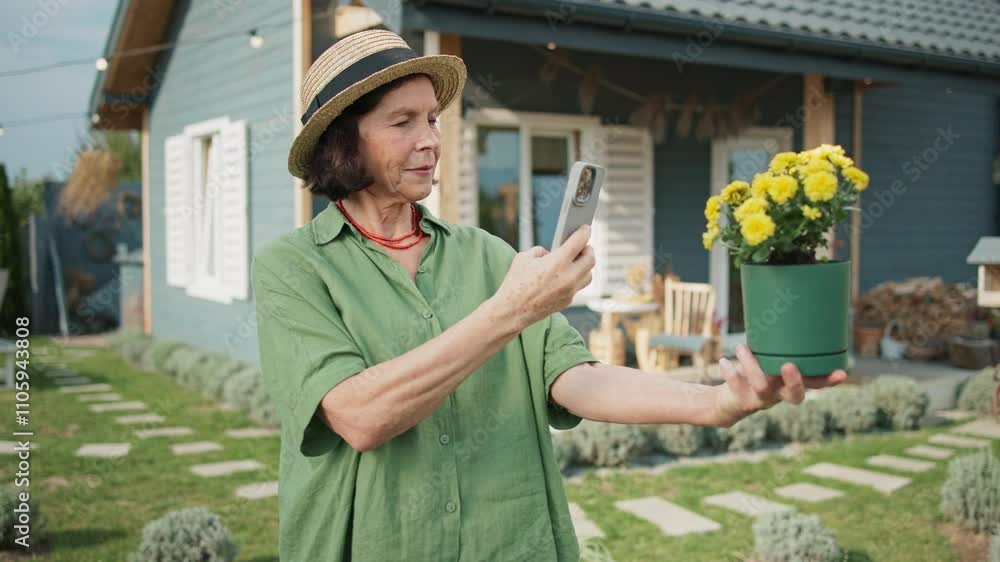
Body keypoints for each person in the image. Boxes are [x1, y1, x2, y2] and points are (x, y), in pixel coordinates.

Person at [252, 29, 847, 562]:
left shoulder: (485, 254)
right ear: (342, 140)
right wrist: (511, 311)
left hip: (509, 540)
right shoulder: (294, 269)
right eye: (401, 122)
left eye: (432, 118)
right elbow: (360, 416)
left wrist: (717, 404)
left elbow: (574, 377)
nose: (431, 139)